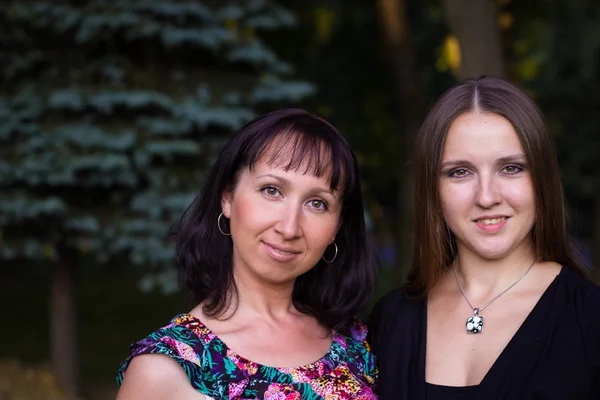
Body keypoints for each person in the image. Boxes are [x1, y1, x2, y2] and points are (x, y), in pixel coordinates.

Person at [116, 109, 378, 400]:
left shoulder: (355, 342)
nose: (289, 228)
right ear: (227, 198)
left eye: (317, 203)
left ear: (336, 228)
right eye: (271, 190)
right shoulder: (164, 370)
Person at [369, 76, 600, 399]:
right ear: (433, 190)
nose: (487, 196)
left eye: (511, 168)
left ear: (542, 179)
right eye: (460, 172)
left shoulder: (590, 320)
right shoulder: (390, 320)